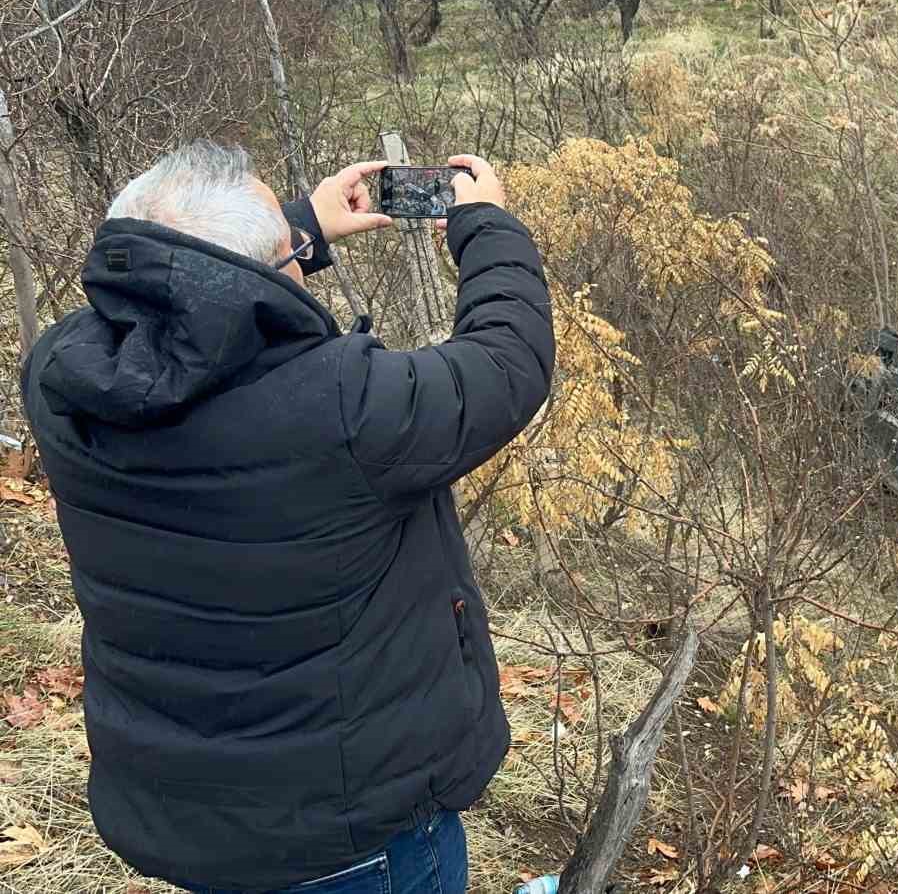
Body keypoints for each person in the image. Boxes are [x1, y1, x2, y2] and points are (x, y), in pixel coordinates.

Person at [21, 141, 555, 894]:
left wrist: (301, 226)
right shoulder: (341, 409)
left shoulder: (59, 380)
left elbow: (189, 301)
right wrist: (487, 227)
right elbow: (508, 363)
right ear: (267, 276)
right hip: (351, 839)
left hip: (191, 817)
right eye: (285, 250)